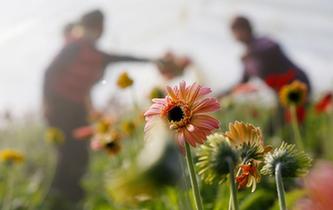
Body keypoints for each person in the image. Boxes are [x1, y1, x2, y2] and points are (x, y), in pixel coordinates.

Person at [43, 9, 161, 208]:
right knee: (67, 153)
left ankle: (72, 197)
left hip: (76, 106)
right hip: (60, 105)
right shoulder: (75, 46)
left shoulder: (92, 51)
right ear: (99, 27)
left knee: (79, 152)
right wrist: (47, 104)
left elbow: (121, 57)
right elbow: (50, 72)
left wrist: (153, 61)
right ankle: (55, 199)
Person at [223, 16, 311, 123]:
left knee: (292, 123)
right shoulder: (247, 60)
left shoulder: (264, 42)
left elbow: (272, 47)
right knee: (277, 125)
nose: (234, 35)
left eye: (235, 30)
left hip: (297, 84)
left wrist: (251, 52)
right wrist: (222, 94)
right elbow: (242, 82)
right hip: (281, 94)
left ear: (245, 29)